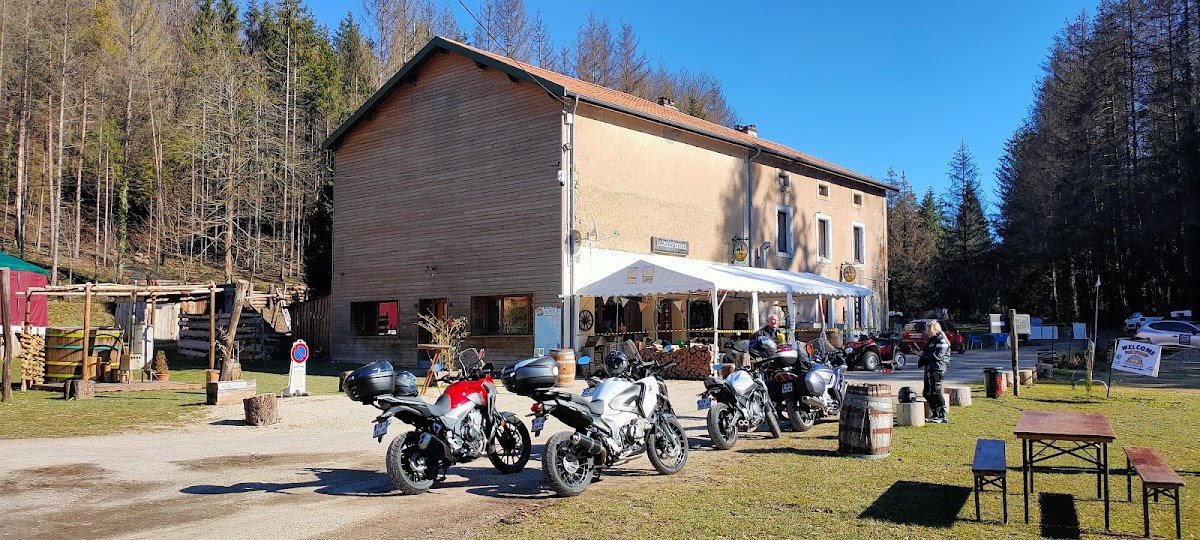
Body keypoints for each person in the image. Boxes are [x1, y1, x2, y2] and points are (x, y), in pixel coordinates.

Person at [919, 320, 951, 423]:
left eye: (929, 330)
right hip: (929, 368)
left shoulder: (941, 340)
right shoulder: (930, 340)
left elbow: (938, 356)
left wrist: (923, 354)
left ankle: (943, 414)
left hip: (938, 368)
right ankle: (935, 413)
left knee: (936, 391)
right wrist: (919, 353)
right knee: (926, 392)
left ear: (935, 330)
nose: (927, 333)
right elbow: (927, 353)